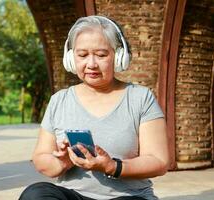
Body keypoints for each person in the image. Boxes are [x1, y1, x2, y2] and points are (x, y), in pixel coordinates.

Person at [19, 15, 169, 200]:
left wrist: (111, 166)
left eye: (101, 55)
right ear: (71, 58)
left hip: (128, 196)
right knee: (35, 194)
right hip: (75, 195)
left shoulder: (141, 98)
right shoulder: (59, 100)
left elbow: (159, 162)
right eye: (82, 55)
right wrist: (62, 162)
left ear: (119, 56)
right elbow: (41, 158)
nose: (91, 64)